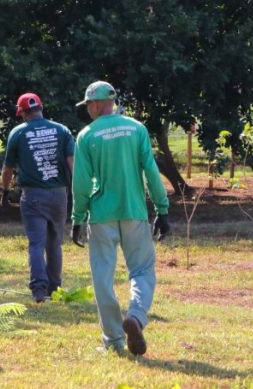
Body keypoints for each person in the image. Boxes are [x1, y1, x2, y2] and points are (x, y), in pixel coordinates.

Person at [70, 81, 170, 355]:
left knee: (102, 277)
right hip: (134, 212)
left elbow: (80, 183)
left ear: (99, 103)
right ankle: (136, 316)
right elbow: (151, 171)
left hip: (101, 215)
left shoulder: (87, 135)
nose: (88, 110)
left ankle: (114, 340)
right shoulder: (136, 129)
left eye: (89, 105)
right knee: (142, 270)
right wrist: (162, 209)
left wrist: (77, 218)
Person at [1, 92, 75, 302]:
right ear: (41, 108)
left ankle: (39, 290)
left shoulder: (18, 133)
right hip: (59, 194)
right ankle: (55, 288)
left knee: (36, 243)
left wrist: (6, 191)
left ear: (22, 112)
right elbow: (73, 163)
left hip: (33, 195)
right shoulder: (62, 130)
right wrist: (78, 190)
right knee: (55, 243)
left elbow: (7, 169)